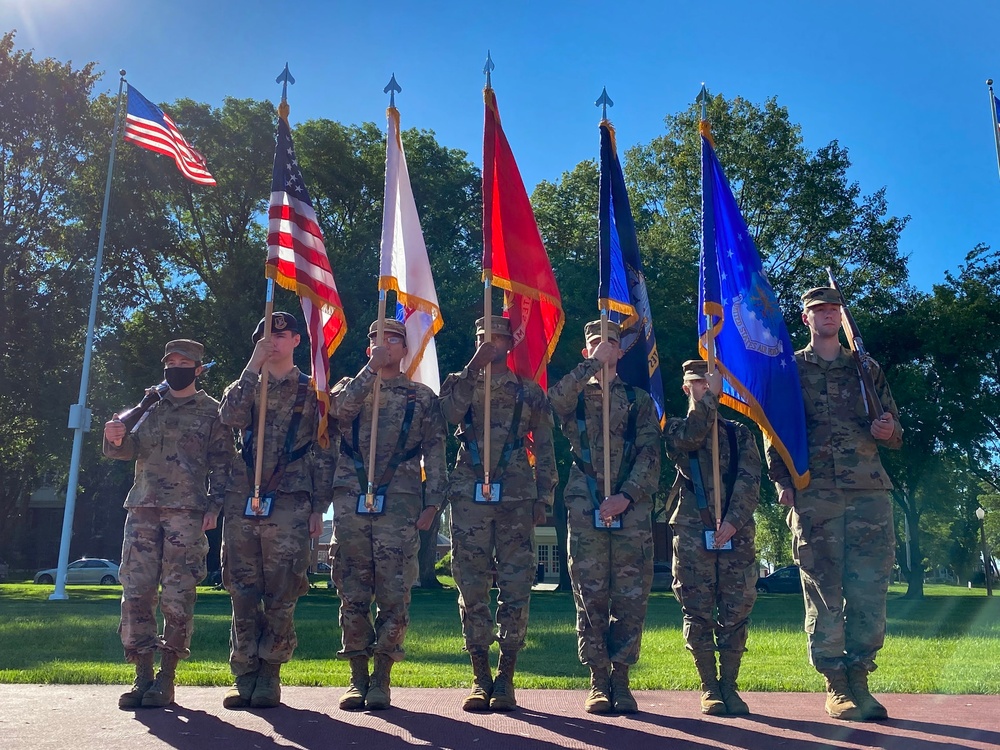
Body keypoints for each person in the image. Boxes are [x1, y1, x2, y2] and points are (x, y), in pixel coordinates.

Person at [766, 287, 903, 722]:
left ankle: (860, 679)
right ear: (806, 319)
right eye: (818, 310)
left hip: (869, 491)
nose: (827, 316)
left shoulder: (865, 368)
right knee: (824, 589)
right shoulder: (789, 369)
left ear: (842, 318)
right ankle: (836, 685)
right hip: (815, 493)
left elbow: (894, 428)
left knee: (869, 589)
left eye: (833, 310)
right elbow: (775, 429)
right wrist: (781, 483)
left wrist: (888, 430)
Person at [103, 339, 232, 710]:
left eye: (183, 362)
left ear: (198, 369)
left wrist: (215, 506)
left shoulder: (212, 412)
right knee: (136, 594)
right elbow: (127, 449)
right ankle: (141, 674)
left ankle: (167, 677)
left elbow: (224, 463)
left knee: (177, 597)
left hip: (186, 514)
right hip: (142, 510)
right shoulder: (149, 407)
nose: (174, 367)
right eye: (170, 361)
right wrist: (113, 438)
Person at [439, 315, 557, 712]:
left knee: (515, 584)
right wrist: (472, 368)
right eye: (482, 337)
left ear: (509, 344)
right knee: (471, 585)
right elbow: (447, 417)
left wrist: (545, 498)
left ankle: (506, 675)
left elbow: (545, 447)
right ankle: (480, 675)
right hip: (469, 495)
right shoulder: (461, 383)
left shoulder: (528, 393)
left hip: (516, 496)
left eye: (496, 338)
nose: (489, 343)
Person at [218, 312, 335, 709]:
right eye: (265, 336)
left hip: (290, 499)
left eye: (280, 335)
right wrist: (253, 365)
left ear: (296, 341)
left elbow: (323, 450)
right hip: (242, 500)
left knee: (283, 591)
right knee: (242, 590)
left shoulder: (314, 390)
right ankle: (244, 671)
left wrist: (320, 506)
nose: (272, 342)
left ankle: (270, 672)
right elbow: (229, 417)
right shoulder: (248, 385)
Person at [330, 319, 447, 711]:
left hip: (399, 502)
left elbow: (436, 451)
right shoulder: (351, 386)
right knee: (353, 591)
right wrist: (369, 372)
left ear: (404, 350)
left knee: (394, 593)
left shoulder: (421, 397)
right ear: (369, 350)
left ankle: (381, 678)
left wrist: (433, 503)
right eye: (377, 340)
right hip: (350, 502)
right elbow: (339, 414)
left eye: (393, 340)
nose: (385, 346)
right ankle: (357, 677)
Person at [548, 320, 661, 714]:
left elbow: (650, 455)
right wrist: (588, 369)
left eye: (611, 342)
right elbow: (552, 403)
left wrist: (626, 496)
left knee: (630, 598)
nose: (604, 347)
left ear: (622, 349)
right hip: (585, 504)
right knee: (590, 596)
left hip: (629, 510)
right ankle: (598, 680)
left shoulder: (638, 399)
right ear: (587, 350)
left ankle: (622, 679)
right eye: (596, 342)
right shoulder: (576, 396)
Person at [663, 359, 760, 716]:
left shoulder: (740, 433)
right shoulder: (675, 429)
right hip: (692, 530)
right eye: (698, 385)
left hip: (736, 533)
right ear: (686, 389)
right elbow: (692, 436)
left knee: (736, 610)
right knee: (697, 610)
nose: (705, 389)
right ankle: (709, 687)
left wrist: (733, 521)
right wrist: (710, 402)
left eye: (710, 384)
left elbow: (751, 481)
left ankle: (730, 685)